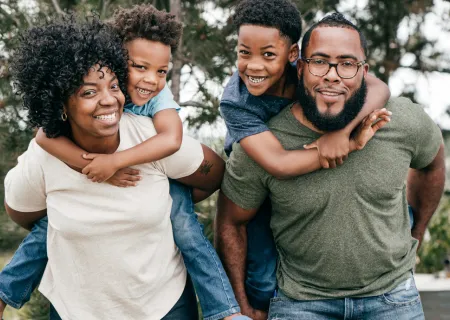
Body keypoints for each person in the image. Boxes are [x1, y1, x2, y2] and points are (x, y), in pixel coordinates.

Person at [0, 6, 246, 320]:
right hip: (76, 308)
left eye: (113, 86)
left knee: (185, 227)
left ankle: (224, 311)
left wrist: (120, 165)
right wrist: (92, 167)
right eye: (89, 91)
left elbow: (184, 152)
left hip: (162, 301)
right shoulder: (48, 150)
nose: (151, 80)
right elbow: (42, 143)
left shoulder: (153, 117)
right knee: (47, 230)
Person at [216, 13, 445, 320]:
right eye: (320, 61)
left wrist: (417, 233)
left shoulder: (401, 120)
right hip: (301, 303)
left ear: (365, 70)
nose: (333, 75)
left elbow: (433, 164)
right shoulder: (261, 141)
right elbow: (231, 222)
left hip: (394, 299)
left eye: (347, 64)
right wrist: (241, 307)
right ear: (300, 67)